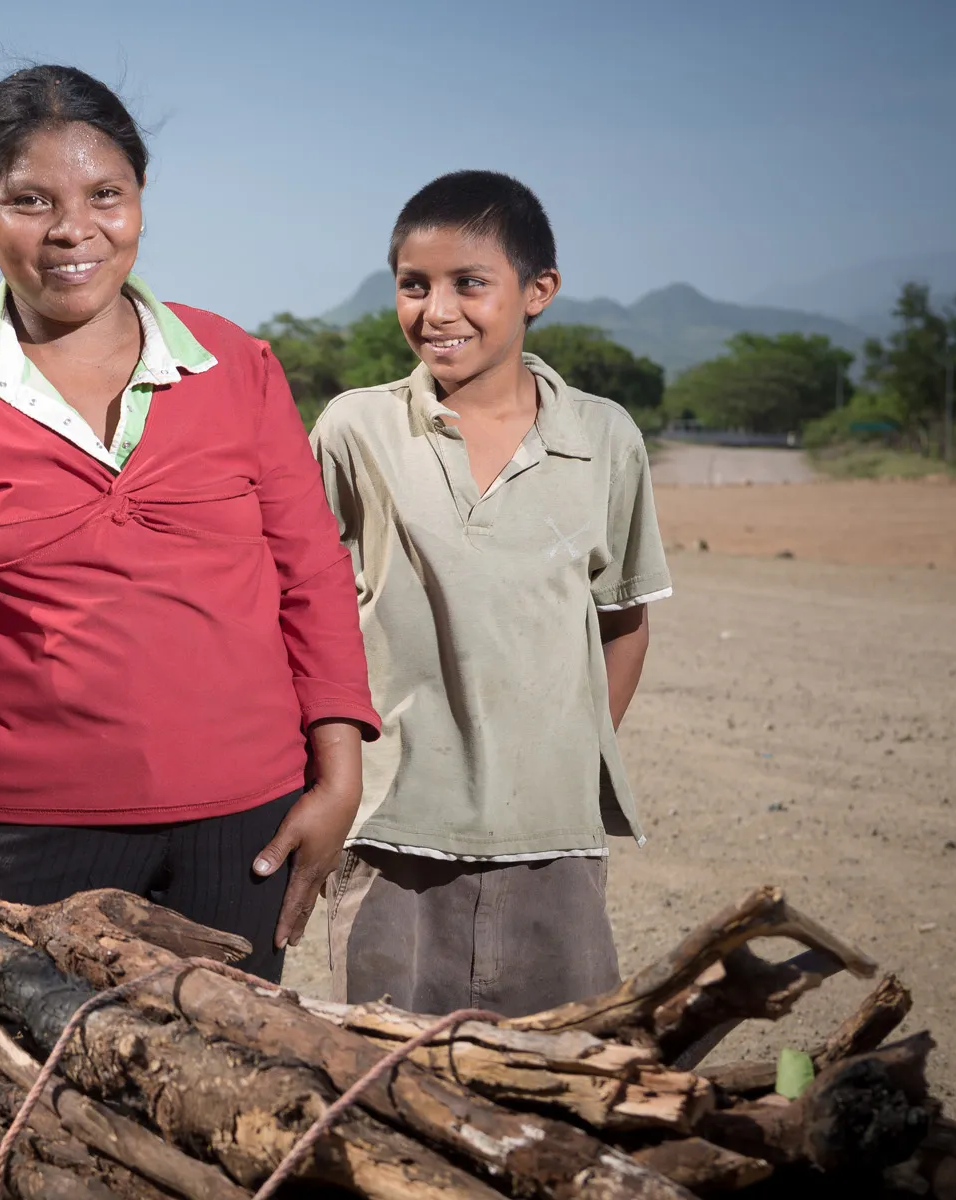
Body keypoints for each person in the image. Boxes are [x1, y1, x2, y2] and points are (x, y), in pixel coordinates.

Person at [0, 65, 378, 982]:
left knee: (220, 1103)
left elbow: (312, 574)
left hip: (243, 827)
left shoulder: (234, 364)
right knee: (25, 1105)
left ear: (140, 201)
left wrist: (338, 777)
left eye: (106, 195)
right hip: (24, 835)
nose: (72, 230)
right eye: (30, 200)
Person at [311, 170, 671, 1015]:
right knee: (385, 1090)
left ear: (538, 290)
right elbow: (300, 613)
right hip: (392, 830)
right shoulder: (354, 430)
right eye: (414, 285)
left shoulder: (604, 436)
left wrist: (564, 757)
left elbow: (623, 622)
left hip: (553, 841)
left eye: (469, 283)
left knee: (557, 1083)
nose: (437, 311)